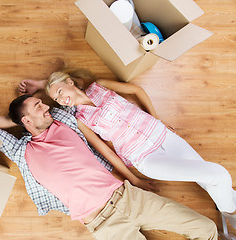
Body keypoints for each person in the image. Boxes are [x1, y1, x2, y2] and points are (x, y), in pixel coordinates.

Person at [19, 68, 236, 231]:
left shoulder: (99, 85)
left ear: (69, 81)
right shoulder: (80, 119)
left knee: (208, 178)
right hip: (146, 157)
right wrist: (134, 179)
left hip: (163, 135)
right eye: (56, 99)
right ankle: (232, 212)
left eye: (59, 91)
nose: (61, 99)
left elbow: (136, 90)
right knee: (218, 174)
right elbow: (106, 150)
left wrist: (156, 118)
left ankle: (228, 219)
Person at [0, 94, 217, 239]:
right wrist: (17, 118)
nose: (45, 107)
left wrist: (134, 179)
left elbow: (68, 89)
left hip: (129, 198)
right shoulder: (22, 151)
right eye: (38, 107)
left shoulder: (64, 120)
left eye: (42, 103)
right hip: (103, 224)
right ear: (27, 121)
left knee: (206, 229)